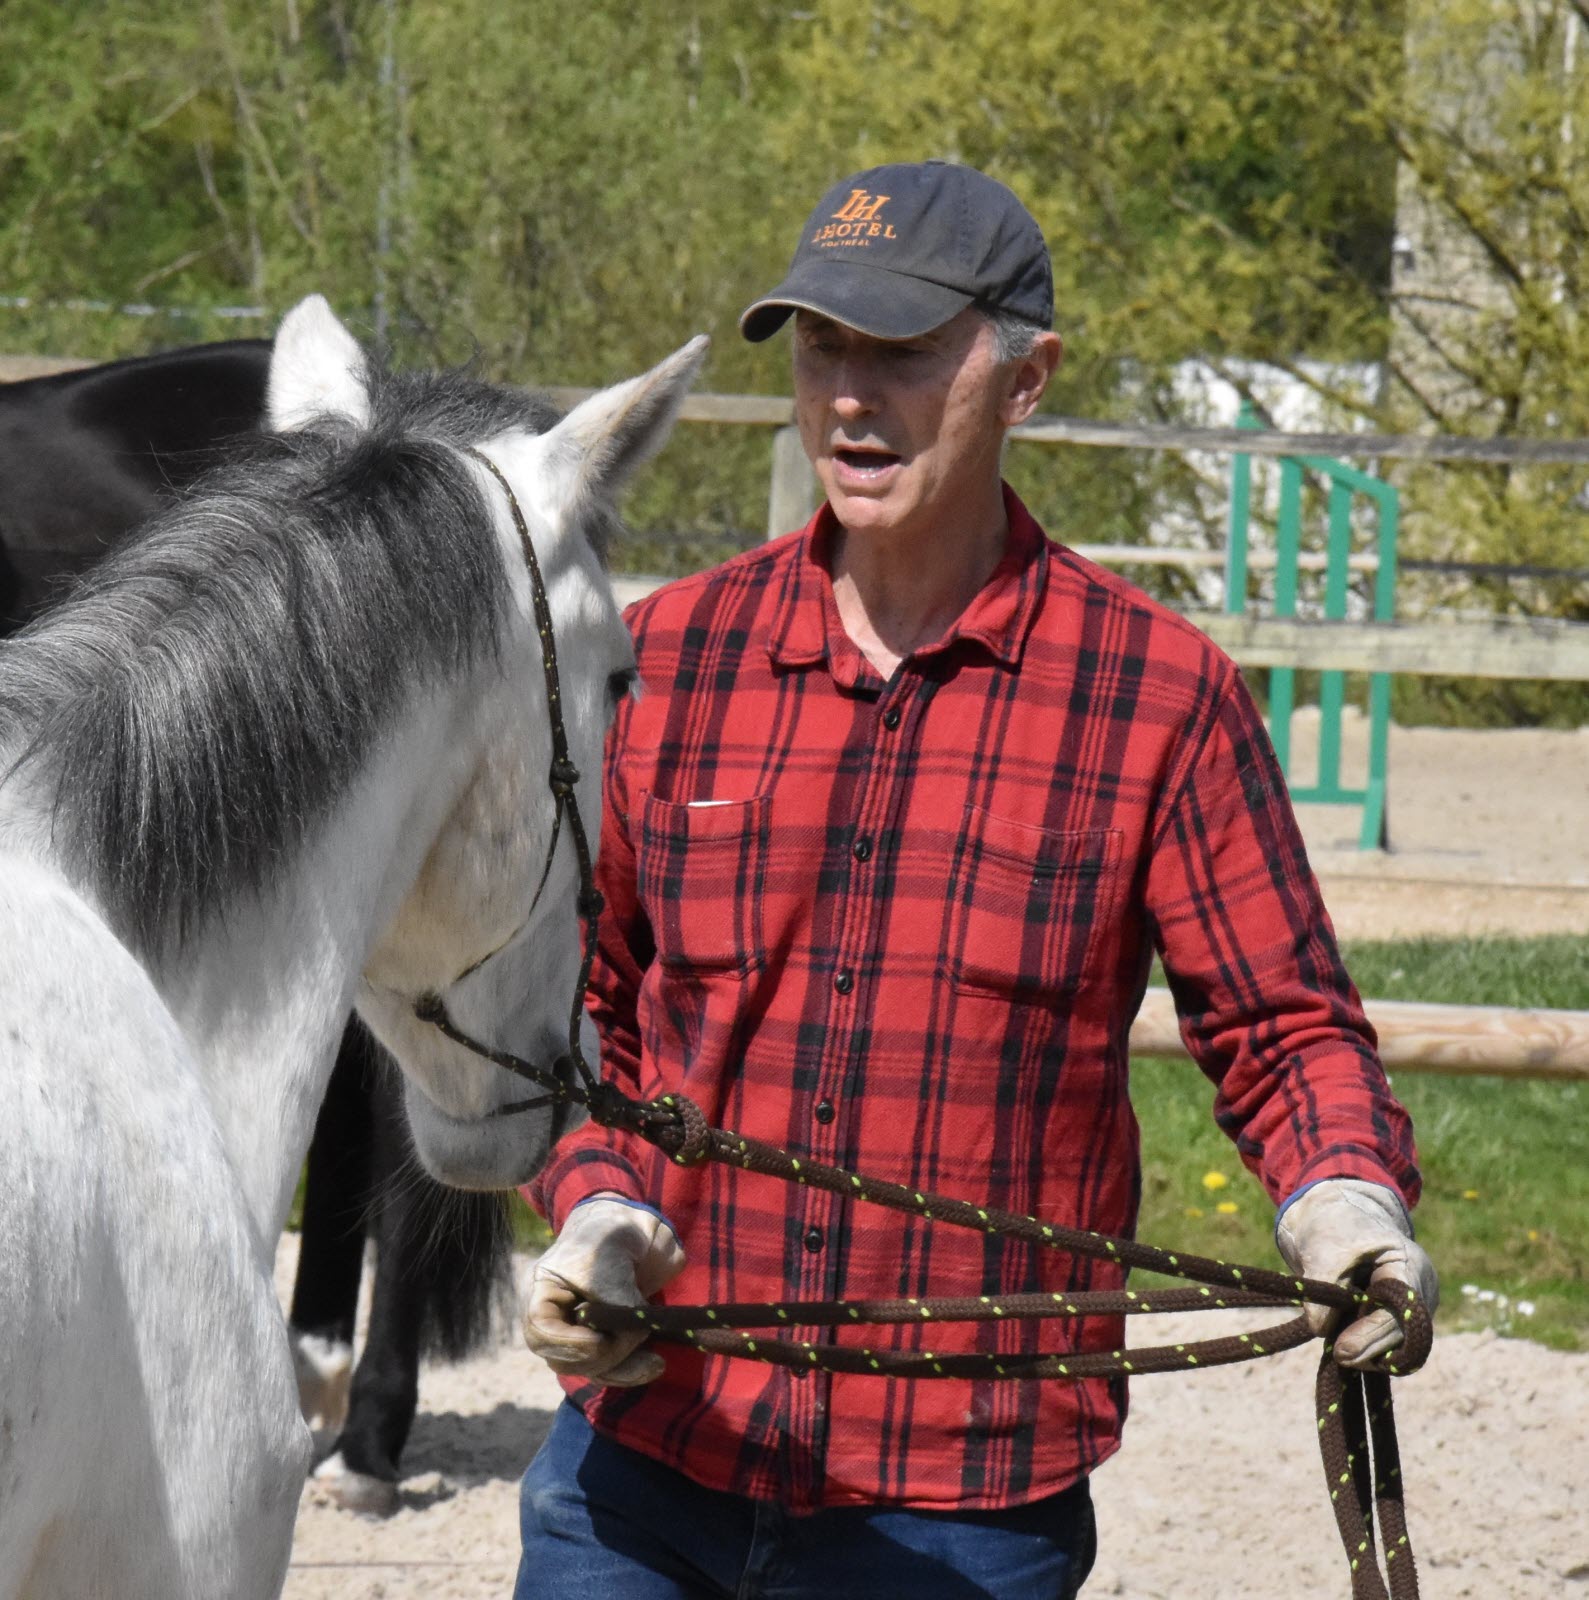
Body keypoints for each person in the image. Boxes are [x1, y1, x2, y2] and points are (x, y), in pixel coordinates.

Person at [513, 160, 1438, 1599]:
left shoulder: (1157, 696)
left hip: (962, 1509)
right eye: (823, 349)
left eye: (901, 352)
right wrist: (589, 1203)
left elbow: (1283, 1028)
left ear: (1024, 379)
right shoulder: (674, 659)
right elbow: (584, 1014)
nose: (848, 399)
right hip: (642, 1468)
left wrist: (1345, 1202)